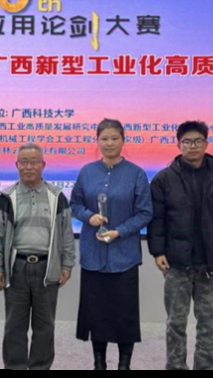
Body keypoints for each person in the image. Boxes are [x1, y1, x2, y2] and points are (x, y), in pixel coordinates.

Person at [147, 120, 213, 370]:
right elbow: (157, 219)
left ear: (206, 144)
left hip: (211, 263)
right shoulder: (164, 179)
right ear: (178, 145)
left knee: (208, 324)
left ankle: (207, 366)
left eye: (198, 141)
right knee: (175, 323)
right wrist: (158, 252)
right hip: (177, 263)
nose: (192, 146)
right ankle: (175, 366)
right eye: (187, 142)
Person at [71, 119, 153, 370]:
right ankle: (99, 363)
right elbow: (75, 204)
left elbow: (145, 213)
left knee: (124, 314)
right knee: (97, 314)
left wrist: (120, 231)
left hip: (124, 256)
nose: (109, 143)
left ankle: (124, 364)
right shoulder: (87, 172)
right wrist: (89, 217)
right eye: (104, 138)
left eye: (114, 138)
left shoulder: (136, 173)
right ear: (97, 141)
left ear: (123, 140)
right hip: (93, 255)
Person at [0, 143, 76, 370]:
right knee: (14, 326)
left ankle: (40, 366)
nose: (29, 167)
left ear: (43, 165)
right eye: (24, 162)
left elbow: (66, 233)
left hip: (47, 268)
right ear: (16, 165)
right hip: (16, 268)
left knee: (45, 326)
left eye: (34, 162)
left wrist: (67, 264)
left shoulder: (56, 196)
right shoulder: (6, 196)